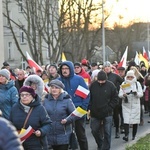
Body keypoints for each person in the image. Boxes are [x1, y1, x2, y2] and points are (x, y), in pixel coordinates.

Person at [58, 61, 90, 150]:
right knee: (65, 137)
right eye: (63, 69)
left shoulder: (79, 79)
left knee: (81, 135)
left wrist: (83, 107)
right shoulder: (58, 81)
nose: (64, 70)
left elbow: (86, 95)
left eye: (66, 68)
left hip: (78, 111)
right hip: (64, 112)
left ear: (71, 69)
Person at [10, 86, 52, 150]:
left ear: (32, 96)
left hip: (36, 143)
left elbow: (48, 124)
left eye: (27, 95)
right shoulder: (14, 108)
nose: (24, 97)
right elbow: (10, 124)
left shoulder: (40, 108)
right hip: (19, 143)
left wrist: (41, 131)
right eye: (22, 95)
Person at [89, 70, 118, 150]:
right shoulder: (93, 85)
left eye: (103, 80)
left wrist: (110, 107)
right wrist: (90, 108)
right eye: (99, 80)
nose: (101, 82)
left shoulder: (111, 86)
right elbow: (89, 98)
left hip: (107, 113)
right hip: (95, 112)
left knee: (107, 132)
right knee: (94, 130)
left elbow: (115, 98)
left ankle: (106, 148)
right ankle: (100, 143)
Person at [43, 79, 77, 150]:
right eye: (52, 87)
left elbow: (75, 114)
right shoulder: (45, 100)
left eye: (56, 88)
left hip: (63, 134)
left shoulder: (67, 100)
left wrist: (67, 120)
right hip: (49, 134)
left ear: (60, 89)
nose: (54, 89)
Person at [119, 70, 143, 141]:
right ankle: (126, 135)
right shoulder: (123, 83)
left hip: (135, 104)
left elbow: (141, 94)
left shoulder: (137, 84)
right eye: (128, 77)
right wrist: (123, 95)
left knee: (135, 120)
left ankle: (134, 135)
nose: (130, 78)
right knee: (126, 120)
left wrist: (136, 93)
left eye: (131, 77)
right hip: (126, 104)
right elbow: (119, 94)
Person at [103, 61, 123, 138]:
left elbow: (123, 83)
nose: (107, 68)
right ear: (104, 68)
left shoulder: (115, 76)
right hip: (104, 99)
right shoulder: (102, 76)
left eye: (108, 66)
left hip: (114, 99)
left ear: (111, 68)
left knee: (115, 115)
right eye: (105, 66)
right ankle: (105, 132)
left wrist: (121, 91)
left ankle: (117, 130)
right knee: (105, 116)